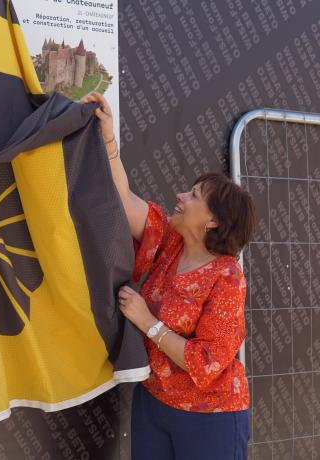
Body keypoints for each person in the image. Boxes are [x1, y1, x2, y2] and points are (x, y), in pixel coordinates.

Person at [82, 92, 255, 460]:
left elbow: (206, 363)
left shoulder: (227, 279)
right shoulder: (171, 240)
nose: (180, 195)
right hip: (155, 402)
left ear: (212, 221)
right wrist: (107, 138)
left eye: (192, 195)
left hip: (210, 416)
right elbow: (123, 199)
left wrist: (147, 322)